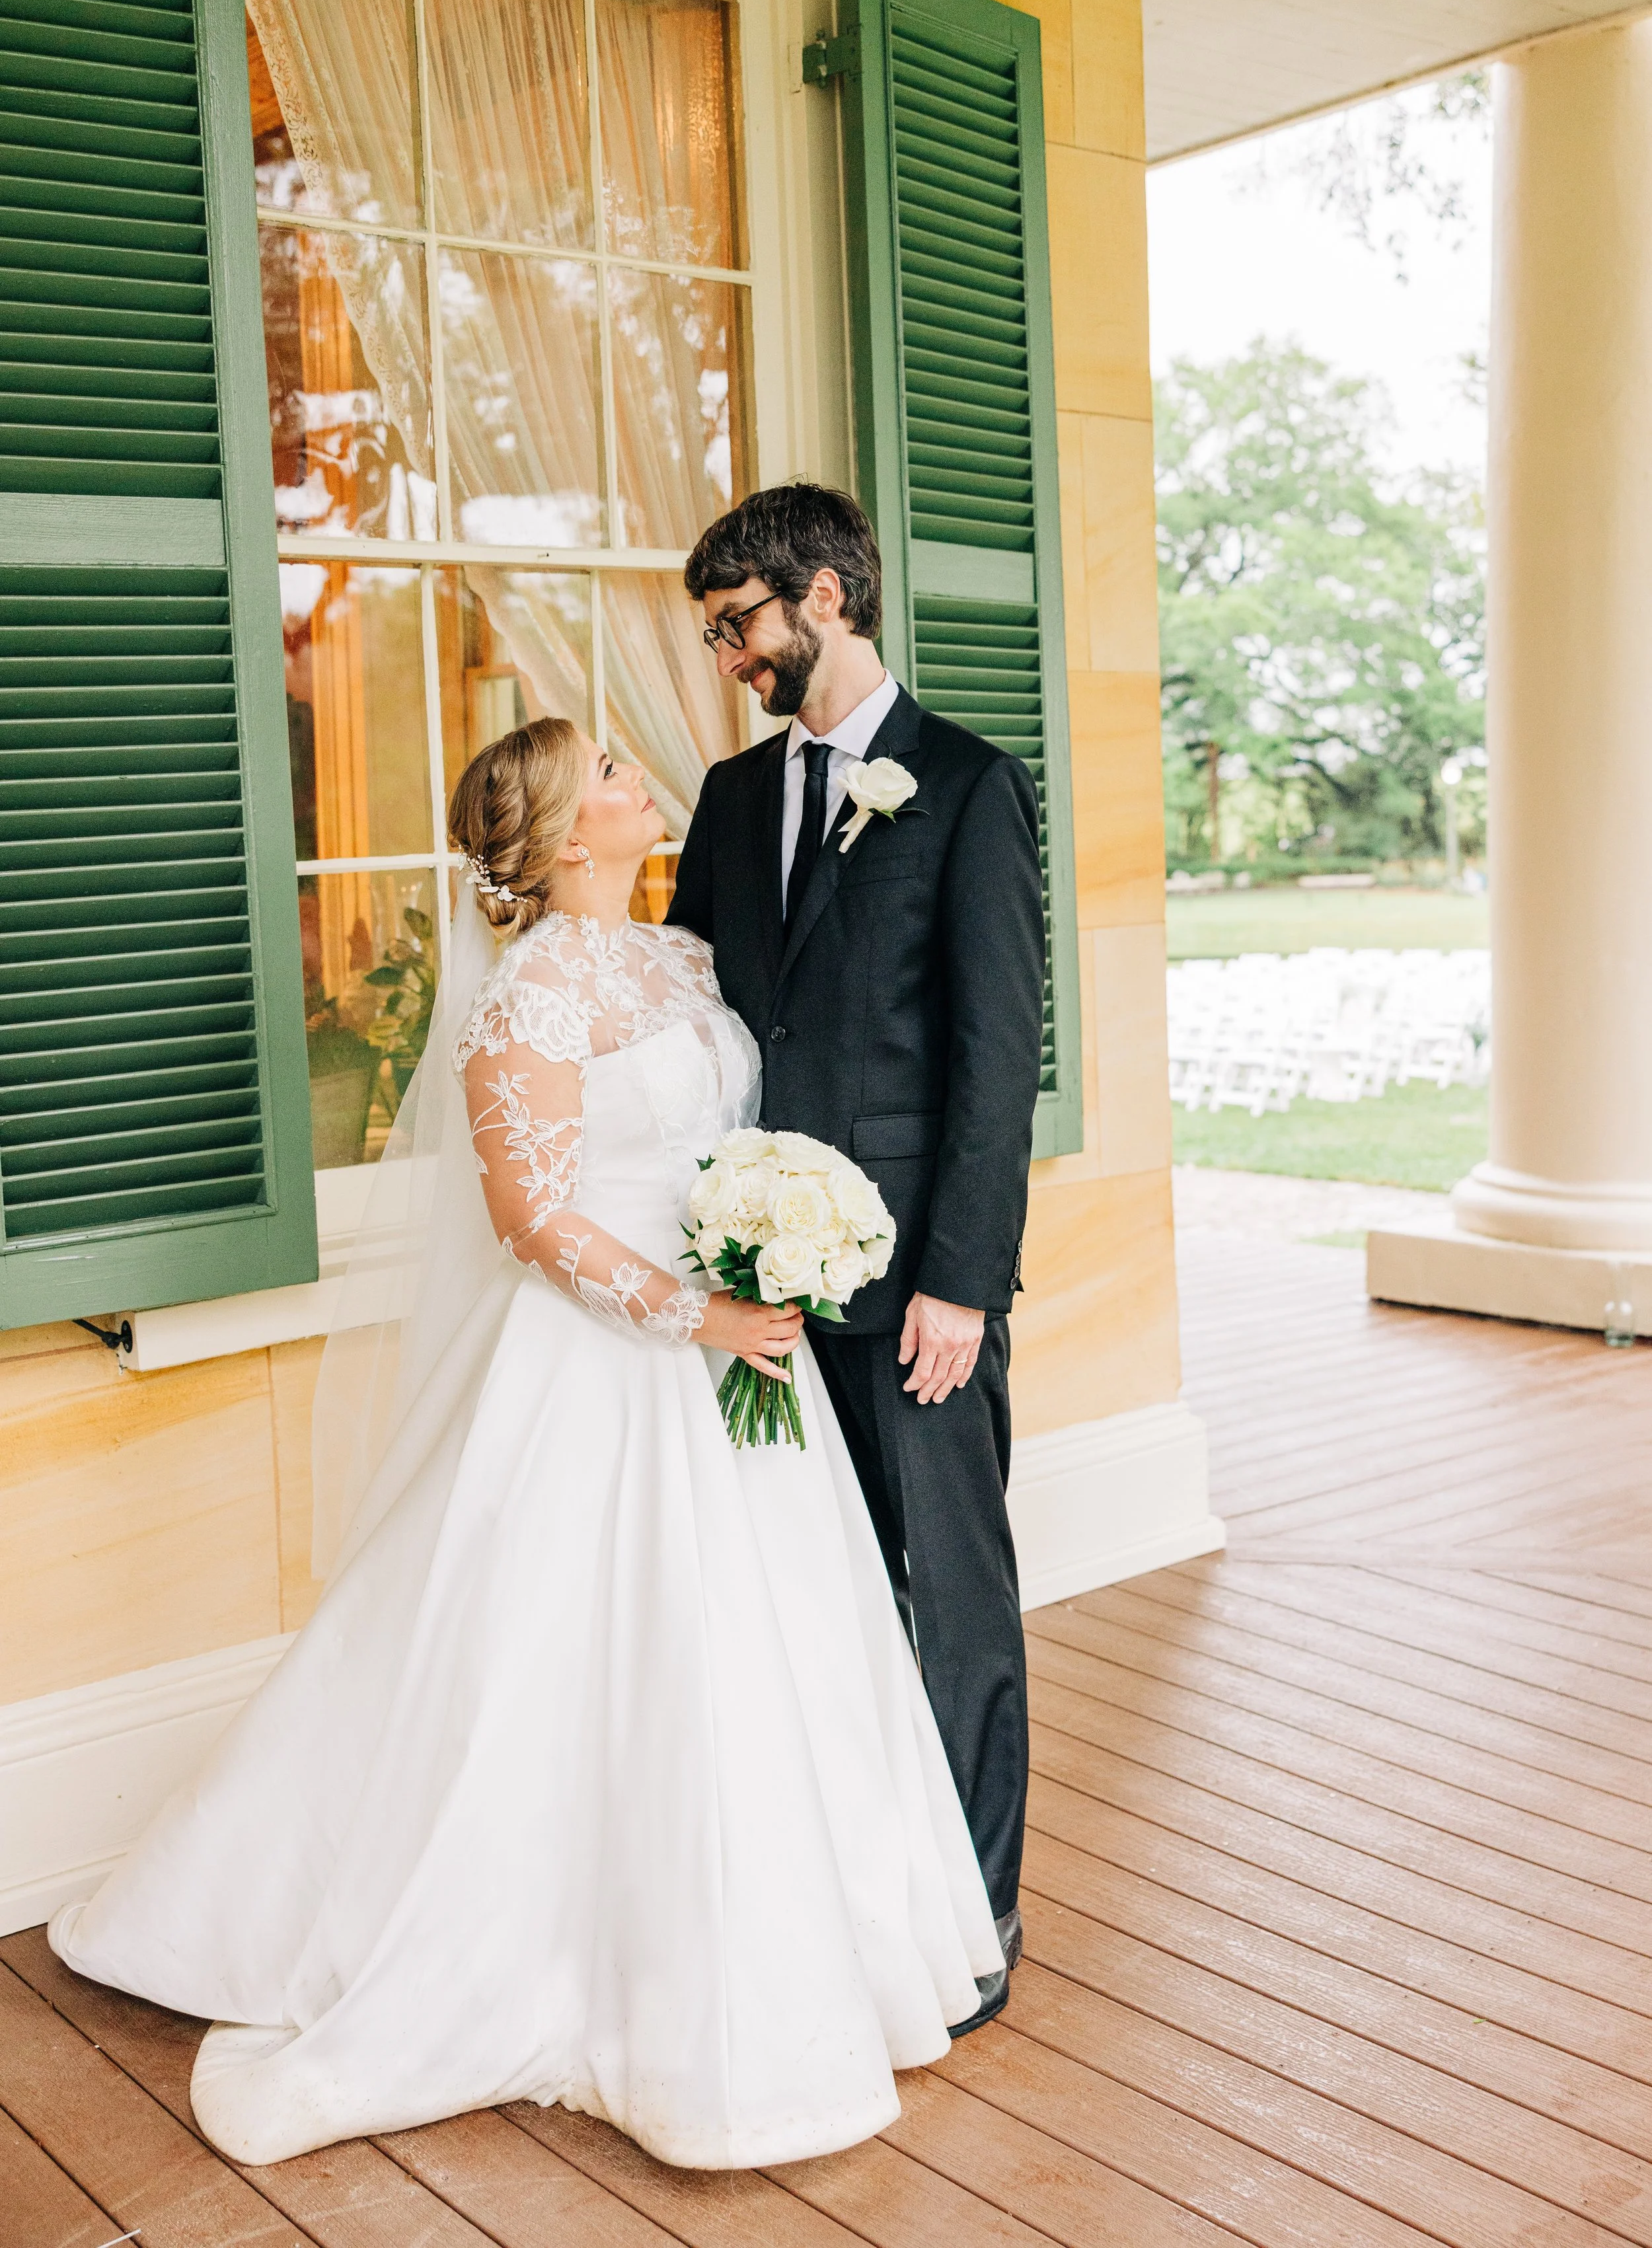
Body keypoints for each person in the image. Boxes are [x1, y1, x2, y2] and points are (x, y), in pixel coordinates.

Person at [48, 717, 1002, 2169]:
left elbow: (718, 1138)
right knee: (569, 1655)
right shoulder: (530, 993)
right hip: (613, 1360)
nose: (637, 781)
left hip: (740, 1354)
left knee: (770, 1649)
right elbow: (532, 1218)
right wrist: (692, 1314)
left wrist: (771, 1243)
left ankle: (819, 1939)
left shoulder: (678, 959)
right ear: (568, 836)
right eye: (609, 774)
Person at [668, 483, 1045, 2029]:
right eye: (710, 634)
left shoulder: (962, 786)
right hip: (762, 1282)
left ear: (826, 594)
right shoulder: (721, 795)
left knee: (948, 1595)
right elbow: (697, 1024)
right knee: (802, 1594)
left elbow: (995, 1050)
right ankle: (850, 1891)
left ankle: (973, 1918)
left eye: (739, 624)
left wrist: (960, 1277)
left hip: (913, 1295)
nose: (728, 658)